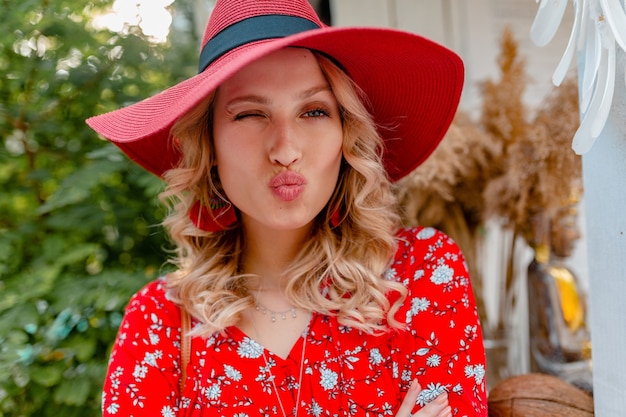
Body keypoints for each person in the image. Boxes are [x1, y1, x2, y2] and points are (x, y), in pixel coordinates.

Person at [87, 0, 487, 416]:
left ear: (346, 134)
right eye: (250, 114)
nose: (285, 150)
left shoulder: (420, 275)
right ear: (210, 147)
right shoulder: (159, 325)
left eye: (313, 111)